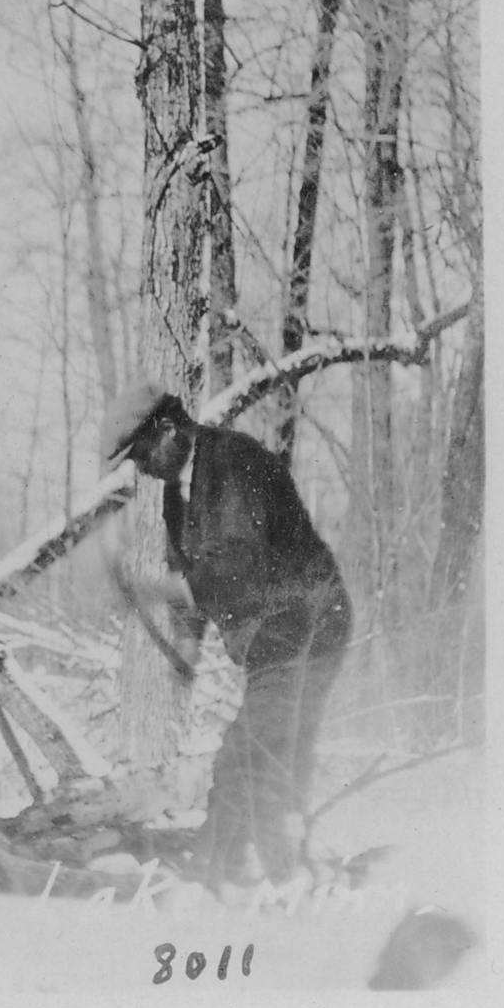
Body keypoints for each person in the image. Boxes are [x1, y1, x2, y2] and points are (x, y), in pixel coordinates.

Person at [100, 380, 353, 887]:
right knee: (262, 752)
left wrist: (149, 588)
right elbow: (193, 583)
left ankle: (237, 877)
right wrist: (184, 654)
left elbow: (235, 563)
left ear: (169, 430)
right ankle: (253, 872)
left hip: (305, 622)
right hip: (271, 636)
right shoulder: (176, 497)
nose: (142, 467)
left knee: (252, 754)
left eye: (143, 453)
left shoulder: (234, 461)